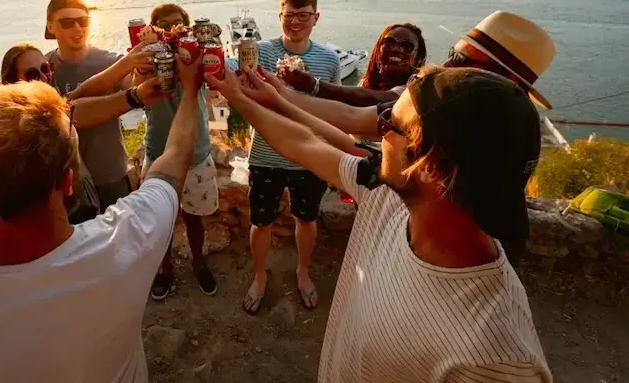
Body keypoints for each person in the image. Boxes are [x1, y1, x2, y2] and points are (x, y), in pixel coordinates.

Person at [207, 66, 552, 382]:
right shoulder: (390, 195)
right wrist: (244, 99)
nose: (378, 132)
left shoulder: (493, 359)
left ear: (430, 166)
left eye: (387, 124)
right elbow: (309, 143)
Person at [0, 54, 204, 383]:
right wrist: (190, 89)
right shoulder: (126, 242)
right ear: (67, 181)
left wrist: (133, 93)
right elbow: (174, 158)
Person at [269, 10, 556, 141]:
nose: (445, 63)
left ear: (481, 74)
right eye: (389, 43)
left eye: (458, 59)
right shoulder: (512, 128)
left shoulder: (430, 102)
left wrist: (282, 92)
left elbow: (357, 112)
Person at [228, 0, 341, 314]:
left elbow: (332, 108)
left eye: (303, 15)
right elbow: (240, 86)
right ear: (280, 16)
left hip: (309, 156)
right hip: (265, 154)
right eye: (289, 15)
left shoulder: (329, 60)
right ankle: (260, 276)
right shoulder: (258, 51)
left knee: (306, 219)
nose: (295, 22)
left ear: (315, 18)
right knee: (260, 221)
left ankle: (302, 271)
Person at [0, 42, 161, 222]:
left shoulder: (43, 104)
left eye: (46, 68)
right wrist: (136, 96)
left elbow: (79, 94)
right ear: (10, 82)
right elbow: (73, 112)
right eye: (32, 74)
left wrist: (127, 64)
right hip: (66, 216)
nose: (44, 77)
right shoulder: (25, 119)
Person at [134, 3, 219, 300]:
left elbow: (218, 79)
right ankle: (165, 269)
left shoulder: (196, 55)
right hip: (159, 150)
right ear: (153, 28)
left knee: (194, 217)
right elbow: (136, 88)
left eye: (178, 23)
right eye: (164, 24)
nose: (172, 28)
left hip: (196, 150)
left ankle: (198, 261)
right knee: (161, 219)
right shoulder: (144, 57)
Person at [44, 0, 144, 210]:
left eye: (83, 21)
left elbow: (135, 85)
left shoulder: (109, 61)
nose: (77, 28)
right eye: (67, 22)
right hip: (64, 181)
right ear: (50, 26)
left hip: (110, 174)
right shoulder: (44, 67)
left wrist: (146, 59)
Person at [281, 22, 427, 106]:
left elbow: (375, 99)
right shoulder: (367, 83)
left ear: (418, 57)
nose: (396, 49)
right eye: (389, 42)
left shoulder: (414, 90)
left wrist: (315, 86)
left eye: (407, 47)